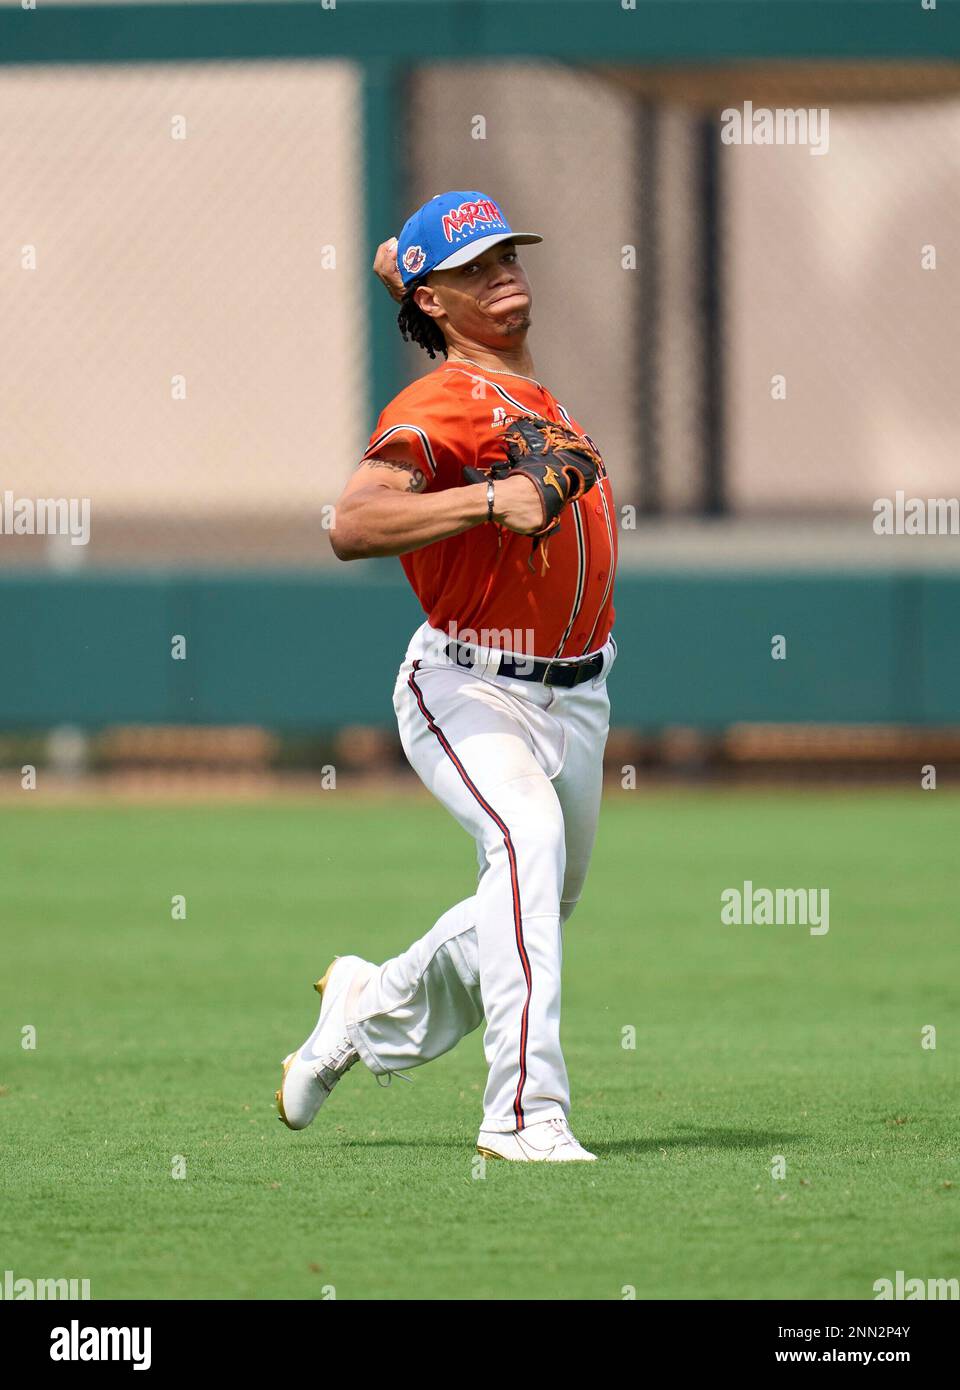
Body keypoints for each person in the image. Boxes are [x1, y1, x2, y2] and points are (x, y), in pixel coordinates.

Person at [276, 191, 618, 1161]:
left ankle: (364, 1007)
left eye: (506, 254)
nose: (504, 273)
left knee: (531, 896)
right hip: (471, 682)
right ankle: (523, 1116)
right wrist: (484, 500)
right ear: (436, 303)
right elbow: (350, 523)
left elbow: (444, 305)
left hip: (581, 692)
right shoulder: (435, 406)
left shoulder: (518, 387)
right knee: (526, 837)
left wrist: (420, 274)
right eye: (476, 269)